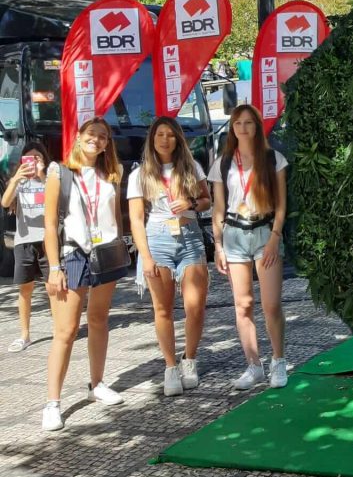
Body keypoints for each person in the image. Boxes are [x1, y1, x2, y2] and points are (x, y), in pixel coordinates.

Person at [42, 118, 129, 431]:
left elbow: (113, 218)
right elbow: (50, 224)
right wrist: (54, 268)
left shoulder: (111, 174)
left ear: (107, 144)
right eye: (92, 134)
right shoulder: (60, 172)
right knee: (65, 331)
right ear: (79, 137)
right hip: (72, 253)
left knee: (99, 321)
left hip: (105, 251)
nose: (97, 140)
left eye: (103, 137)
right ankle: (52, 402)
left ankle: (97, 385)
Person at [128, 117, 212, 397]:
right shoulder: (139, 174)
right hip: (157, 241)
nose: (165, 139)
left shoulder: (191, 166)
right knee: (162, 309)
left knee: (195, 306)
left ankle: (190, 359)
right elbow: (137, 220)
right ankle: (170, 366)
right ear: (152, 139)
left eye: (170, 135)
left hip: (190, 238)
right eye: (160, 134)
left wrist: (189, 202)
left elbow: (206, 200)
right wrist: (146, 256)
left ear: (178, 139)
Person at [210, 104, 289, 391]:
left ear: (257, 126)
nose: (243, 128)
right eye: (238, 123)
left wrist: (274, 237)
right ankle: (253, 365)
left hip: (264, 231)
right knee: (243, 304)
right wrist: (218, 245)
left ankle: (278, 361)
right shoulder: (223, 162)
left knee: (271, 304)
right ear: (232, 128)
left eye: (248, 122)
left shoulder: (273, 159)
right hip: (234, 234)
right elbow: (218, 208)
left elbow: (281, 205)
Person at [2, 143, 51, 352]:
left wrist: (41, 176)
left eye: (37, 157)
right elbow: (5, 203)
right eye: (29, 158)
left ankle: (60, 331)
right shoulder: (19, 182)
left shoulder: (49, 180)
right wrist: (15, 179)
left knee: (54, 289)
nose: (33, 161)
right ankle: (25, 334)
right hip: (24, 240)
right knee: (25, 288)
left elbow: (56, 202)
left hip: (47, 240)